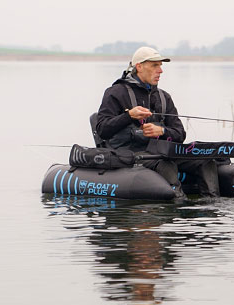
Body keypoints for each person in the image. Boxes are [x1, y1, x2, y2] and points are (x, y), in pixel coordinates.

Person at [93, 46, 220, 199]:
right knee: (164, 163)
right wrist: (129, 116)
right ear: (139, 67)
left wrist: (162, 131)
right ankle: (179, 203)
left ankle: (212, 206)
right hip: (130, 153)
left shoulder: (164, 97)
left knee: (205, 161)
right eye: (155, 65)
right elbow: (102, 129)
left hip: (161, 151)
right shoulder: (115, 93)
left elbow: (180, 134)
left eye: (160, 65)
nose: (160, 70)